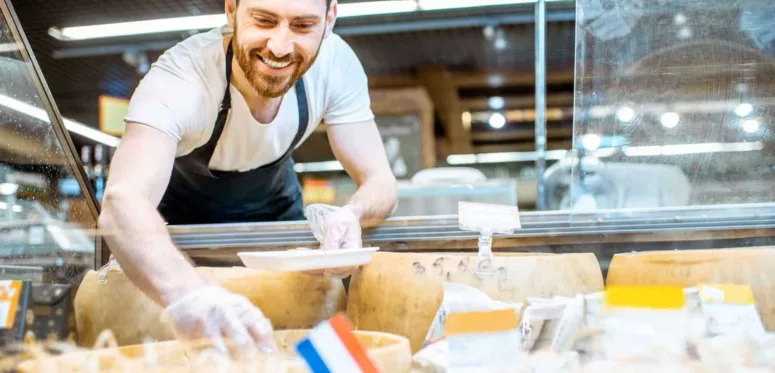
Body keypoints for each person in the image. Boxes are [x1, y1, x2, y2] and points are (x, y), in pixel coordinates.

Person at [98, 0, 397, 355]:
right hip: (180, 234)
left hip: (276, 211)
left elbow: (380, 180)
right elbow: (122, 201)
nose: (280, 47)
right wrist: (190, 295)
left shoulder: (336, 65)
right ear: (230, 10)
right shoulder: (182, 77)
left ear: (329, 19)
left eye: (302, 26)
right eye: (264, 21)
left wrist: (353, 214)